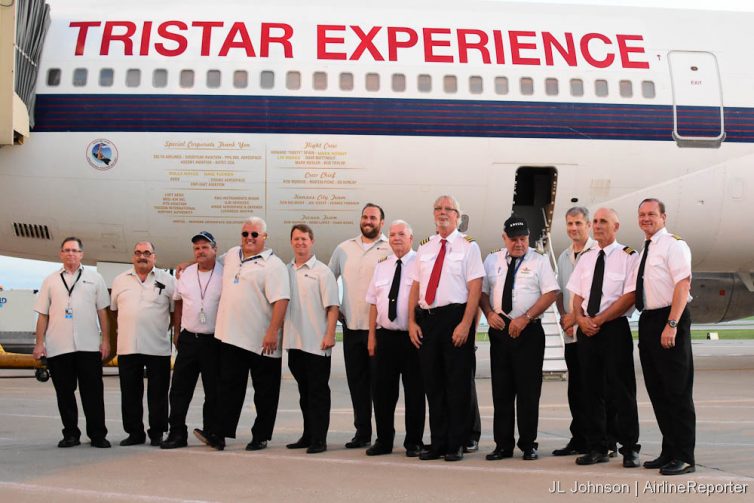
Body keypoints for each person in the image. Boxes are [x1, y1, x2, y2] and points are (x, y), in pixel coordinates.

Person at [195, 217, 290, 451]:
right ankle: (219, 434)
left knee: (265, 393)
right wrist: (188, 262)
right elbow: (209, 261)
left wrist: (272, 332)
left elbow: (281, 300)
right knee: (227, 390)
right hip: (230, 337)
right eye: (245, 233)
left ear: (264, 237)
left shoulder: (273, 265)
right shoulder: (232, 255)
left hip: (261, 340)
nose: (249, 238)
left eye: (254, 234)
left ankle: (261, 435)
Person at [407, 195, 484, 462]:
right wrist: (411, 321)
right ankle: (438, 441)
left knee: (457, 384)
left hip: (455, 318)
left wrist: (466, 323)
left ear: (457, 216)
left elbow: (475, 288)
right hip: (428, 319)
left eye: (448, 210)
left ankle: (456, 442)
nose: (442, 213)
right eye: (438, 208)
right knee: (433, 383)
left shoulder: (468, 247)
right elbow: (415, 286)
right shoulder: (425, 247)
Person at [567, 208, 641, 468]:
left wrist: (598, 320)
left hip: (613, 329)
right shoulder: (586, 258)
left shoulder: (628, 256)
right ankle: (597, 446)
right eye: (595, 222)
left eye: (603, 222)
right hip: (587, 330)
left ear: (616, 226)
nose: (597, 226)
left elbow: (629, 297)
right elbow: (576, 295)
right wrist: (581, 318)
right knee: (590, 391)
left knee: (622, 391)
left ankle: (630, 447)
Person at [480, 215, 559, 461]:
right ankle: (502, 445)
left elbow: (551, 293)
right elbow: (482, 292)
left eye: (523, 239)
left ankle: (528, 444)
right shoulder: (492, 260)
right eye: (513, 239)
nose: (519, 244)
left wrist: (525, 317)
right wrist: (489, 313)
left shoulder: (539, 260)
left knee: (528, 392)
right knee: (501, 391)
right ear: (504, 238)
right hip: (500, 330)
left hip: (529, 331)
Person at [631, 198, 695, 476]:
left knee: (677, 391)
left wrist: (672, 323)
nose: (646, 219)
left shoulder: (673, 245)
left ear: (664, 217)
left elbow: (683, 283)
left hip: (670, 317)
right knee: (658, 391)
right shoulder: (645, 248)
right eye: (642, 215)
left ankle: (684, 456)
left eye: (652, 215)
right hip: (648, 319)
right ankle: (669, 450)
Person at [32, 237, 111, 448]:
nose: (70, 254)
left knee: (93, 393)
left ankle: (97, 435)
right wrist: (39, 344)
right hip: (59, 346)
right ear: (60, 254)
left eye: (75, 250)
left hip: (88, 345)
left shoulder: (95, 279)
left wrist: (106, 340)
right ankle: (70, 434)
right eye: (66, 250)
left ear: (82, 254)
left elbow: (102, 312)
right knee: (65, 393)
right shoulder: (50, 280)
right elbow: (42, 315)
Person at [328, 203, 390, 448]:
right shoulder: (344, 249)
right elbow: (328, 277)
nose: (368, 221)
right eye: (365, 217)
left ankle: (384, 435)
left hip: (380, 330)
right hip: (352, 328)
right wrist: (335, 307)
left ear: (381, 222)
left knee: (380, 386)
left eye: (373, 217)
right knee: (358, 384)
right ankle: (362, 432)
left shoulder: (390, 247)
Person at [365, 220, 425, 457]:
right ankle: (384, 440)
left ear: (411, 238)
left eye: (401, 234)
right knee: (382, 393)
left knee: (414, 392)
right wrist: (371, 336)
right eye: (392, 234)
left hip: (412, 338)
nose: (396, 238)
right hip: (385, 337)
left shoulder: (421, 263)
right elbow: (372, 303)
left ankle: (413, 441)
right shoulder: (382, 266)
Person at [161, 231, 223, 449]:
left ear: (215, 249)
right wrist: (177, 332)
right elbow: (177, 302)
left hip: (214, 341)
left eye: (205, 247)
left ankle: (213, 432)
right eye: (196, 248)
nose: (200, 251)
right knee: (179, 389)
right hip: (189, 339)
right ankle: (177, 432)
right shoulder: (185, 274)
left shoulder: (224, 272)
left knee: (214, 390)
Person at [110, 241, 175, 446]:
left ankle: (157, 432)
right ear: (133, 257)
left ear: (154, 257)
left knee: (158, 394)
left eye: (147, 253)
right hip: (128, 346)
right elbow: (114, 311)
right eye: (138, 253)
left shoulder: (168, 281)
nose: (142, 256)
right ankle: (134, 433)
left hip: (157, 347)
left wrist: (159, 327)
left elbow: (174, 313)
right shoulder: (120, 281)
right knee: (130, 393)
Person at [283, 224, 340, 454]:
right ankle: (308, 435)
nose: (300, 243)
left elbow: (333, 307)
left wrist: (329, 335)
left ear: (312, 241)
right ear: (291, 242)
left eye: (304, 239)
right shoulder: (285, 270)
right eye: (296, 239)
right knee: (304, 394)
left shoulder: (322, 272)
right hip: (294, 343)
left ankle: (319, 439)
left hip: (317, 344)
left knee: (317, 394)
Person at [552, 207, 597, 457]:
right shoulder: (563, 257)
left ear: (588, 225)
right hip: (571, 333)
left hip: (591, 331)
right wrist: (563, 317)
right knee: (576, 389)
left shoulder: (596, 253)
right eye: (570, 223)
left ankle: (601, 440)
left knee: (596, 389)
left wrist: (578, 318)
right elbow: (561, 292)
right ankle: (579, 437)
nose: (573, 228)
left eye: (578, 223)